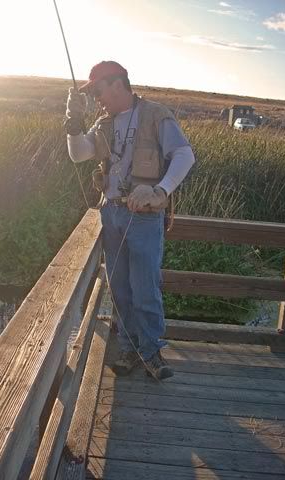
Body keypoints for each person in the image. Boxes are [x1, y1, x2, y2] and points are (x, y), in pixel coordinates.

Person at [65, 61, 195, 380]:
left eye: (98, 90)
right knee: (120, 287)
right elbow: (79, 153)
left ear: (117, 84)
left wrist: (159, 190)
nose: (96, 98)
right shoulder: (103, 123)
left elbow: (184, 155)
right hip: (112, 213)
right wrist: (73, 121)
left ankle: (150, 352)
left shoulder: (154, 113)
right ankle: (128, 348)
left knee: (145, 286)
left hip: (145, 217)